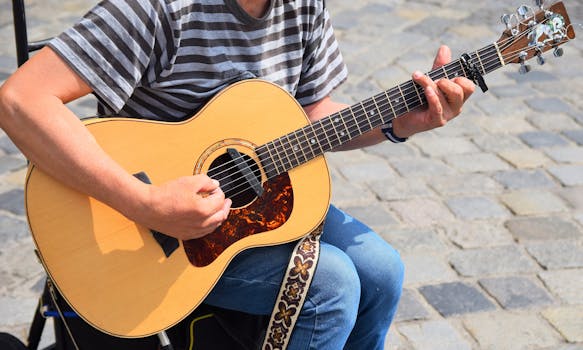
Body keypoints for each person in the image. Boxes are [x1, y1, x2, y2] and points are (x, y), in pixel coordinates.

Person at [0, 0, 475, 349]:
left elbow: (313, 114)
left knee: (382, 271)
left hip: (253, 210)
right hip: (150, 239)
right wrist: (144, 203)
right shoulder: (157, 9)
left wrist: (398, 123)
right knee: (330, 286)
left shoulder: (304, 5)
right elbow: (21, 100)